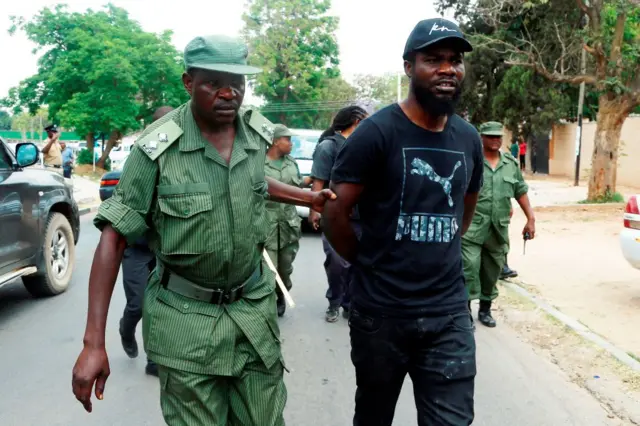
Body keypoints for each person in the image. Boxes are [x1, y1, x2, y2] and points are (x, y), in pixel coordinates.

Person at [71, 35, 335, 425]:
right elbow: (114, 236)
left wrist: (305, 198)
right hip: (186, 323)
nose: (229, 94)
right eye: (214, 83)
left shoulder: (254, 130)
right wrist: (94, 342)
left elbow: (255, 180)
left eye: (238, 84)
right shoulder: (156, 149)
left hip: (252, 313)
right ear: (188, 82)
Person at [324, 18, 483, 426]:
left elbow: (465, 209)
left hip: (448, 312)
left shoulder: (468, 138)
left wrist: (437, 249)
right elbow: (335, 212)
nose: (448, 68)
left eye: (454, 60)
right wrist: (367, 260)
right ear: (409, 67)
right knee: (374, 416)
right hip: (381, 314)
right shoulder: (376, 133)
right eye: (433, 59)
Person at [118, 106, 175, 378]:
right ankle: (126, 330)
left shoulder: (183, 159)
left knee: (161, 306)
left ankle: (154, 359)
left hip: (166, 249)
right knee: (138, 304)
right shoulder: (141, 157)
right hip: (138, 249)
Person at [462, 121, 535, 328]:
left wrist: (530, 218)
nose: (495, 140)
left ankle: (485, 309)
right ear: (481, 137)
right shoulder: (471, 162)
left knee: (492, 269)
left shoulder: (510, 164)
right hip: (472, 226)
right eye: (491, 136)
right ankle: (465, 310)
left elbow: (520, 190)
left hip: (498, 227)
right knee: (469, 267)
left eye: (498, 137)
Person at [309, 105, 368, 323]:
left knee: (359, 263)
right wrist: (314, 211)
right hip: (336, 216)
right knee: (337, 262)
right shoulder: (329, 146)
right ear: (356, 122)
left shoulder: (366, 145)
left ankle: (350, 304)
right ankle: (335, 300)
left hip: (365, 217)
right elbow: (319, 180)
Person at [264, 124, 307, 317]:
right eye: (287, 139)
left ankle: (282, 293)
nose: (291, 143)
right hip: (267, 225)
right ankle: (269, 303)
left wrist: (315, 180)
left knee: (285, 269)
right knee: (268, 271)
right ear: (275, 141)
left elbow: (297, 184)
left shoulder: (291, 162)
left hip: (288, 225)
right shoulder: (258, 163)